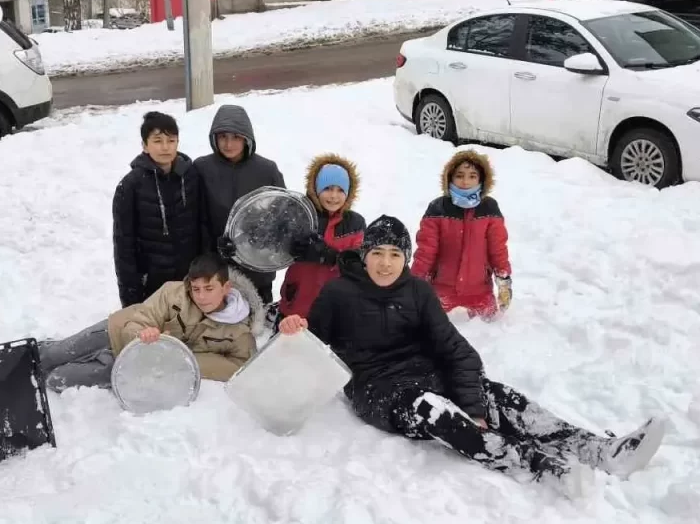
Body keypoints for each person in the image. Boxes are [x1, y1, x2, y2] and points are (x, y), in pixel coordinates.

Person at [278, 215, 665, 497]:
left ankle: (599, 449)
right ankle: (541, 468)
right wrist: (293, 327)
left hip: (426, 373)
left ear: (406, 258)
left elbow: (454, 348)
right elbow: (312, 341)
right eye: (376, 252)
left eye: (394, 254)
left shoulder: (417, 292)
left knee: (502, 398)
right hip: (379, 391)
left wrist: (474, 402)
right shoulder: (338, 294)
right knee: (436, 411)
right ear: (364, 256)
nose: (384, 262)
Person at [42, 253, 265, 391]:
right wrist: (143, 334)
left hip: (136, 363)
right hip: (116, 333)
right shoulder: (173, 292)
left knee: (57, 380)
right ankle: (23, 360)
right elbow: (140, 319)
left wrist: (180, 358)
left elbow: (239, 366)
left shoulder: (239, 331)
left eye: (209, 288)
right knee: (53, 355)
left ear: (226, 288)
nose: (201, 296)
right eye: (196, 289)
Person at [195, 104, 286, 305]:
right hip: (215, 273)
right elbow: (196, 219)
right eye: (223, 137)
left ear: (247, 138)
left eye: (236, 137)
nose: (228, 144)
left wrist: (259, 246)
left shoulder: (267, 170)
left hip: (257, 272)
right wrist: (212, 252)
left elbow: (282, 218)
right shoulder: (202, 168)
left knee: (257, 328)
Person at [113, 111, 204, 308]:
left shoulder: (191, 176)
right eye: (157, 141)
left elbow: (202, 225)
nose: (165, 147)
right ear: (145, 146)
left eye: (171, 140)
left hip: (189, 281)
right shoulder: (130, 186)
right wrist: (131, 300)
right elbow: (124, 247)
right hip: (152, 285)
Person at [411, 149, 512, 320]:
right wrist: (413, 283)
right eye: (459, 175)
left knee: (490, 333)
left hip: (479, 291)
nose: (465, 181)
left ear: (481, 179)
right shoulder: (437, 209)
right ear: (450, 177)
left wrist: (504, 281)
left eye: (472, 176)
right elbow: (426, 252)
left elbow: (498, 249)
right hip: (442, 290)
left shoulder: (489, 209)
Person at [277, 154, 365, 332]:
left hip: (333, 305)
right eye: (327, 188)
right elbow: (272, 247)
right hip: (296, 302)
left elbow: (357, 266)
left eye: (340, 190)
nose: (333, 196)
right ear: (316, 188)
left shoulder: (355, 223)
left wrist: (329, 256)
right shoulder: (300, 214)